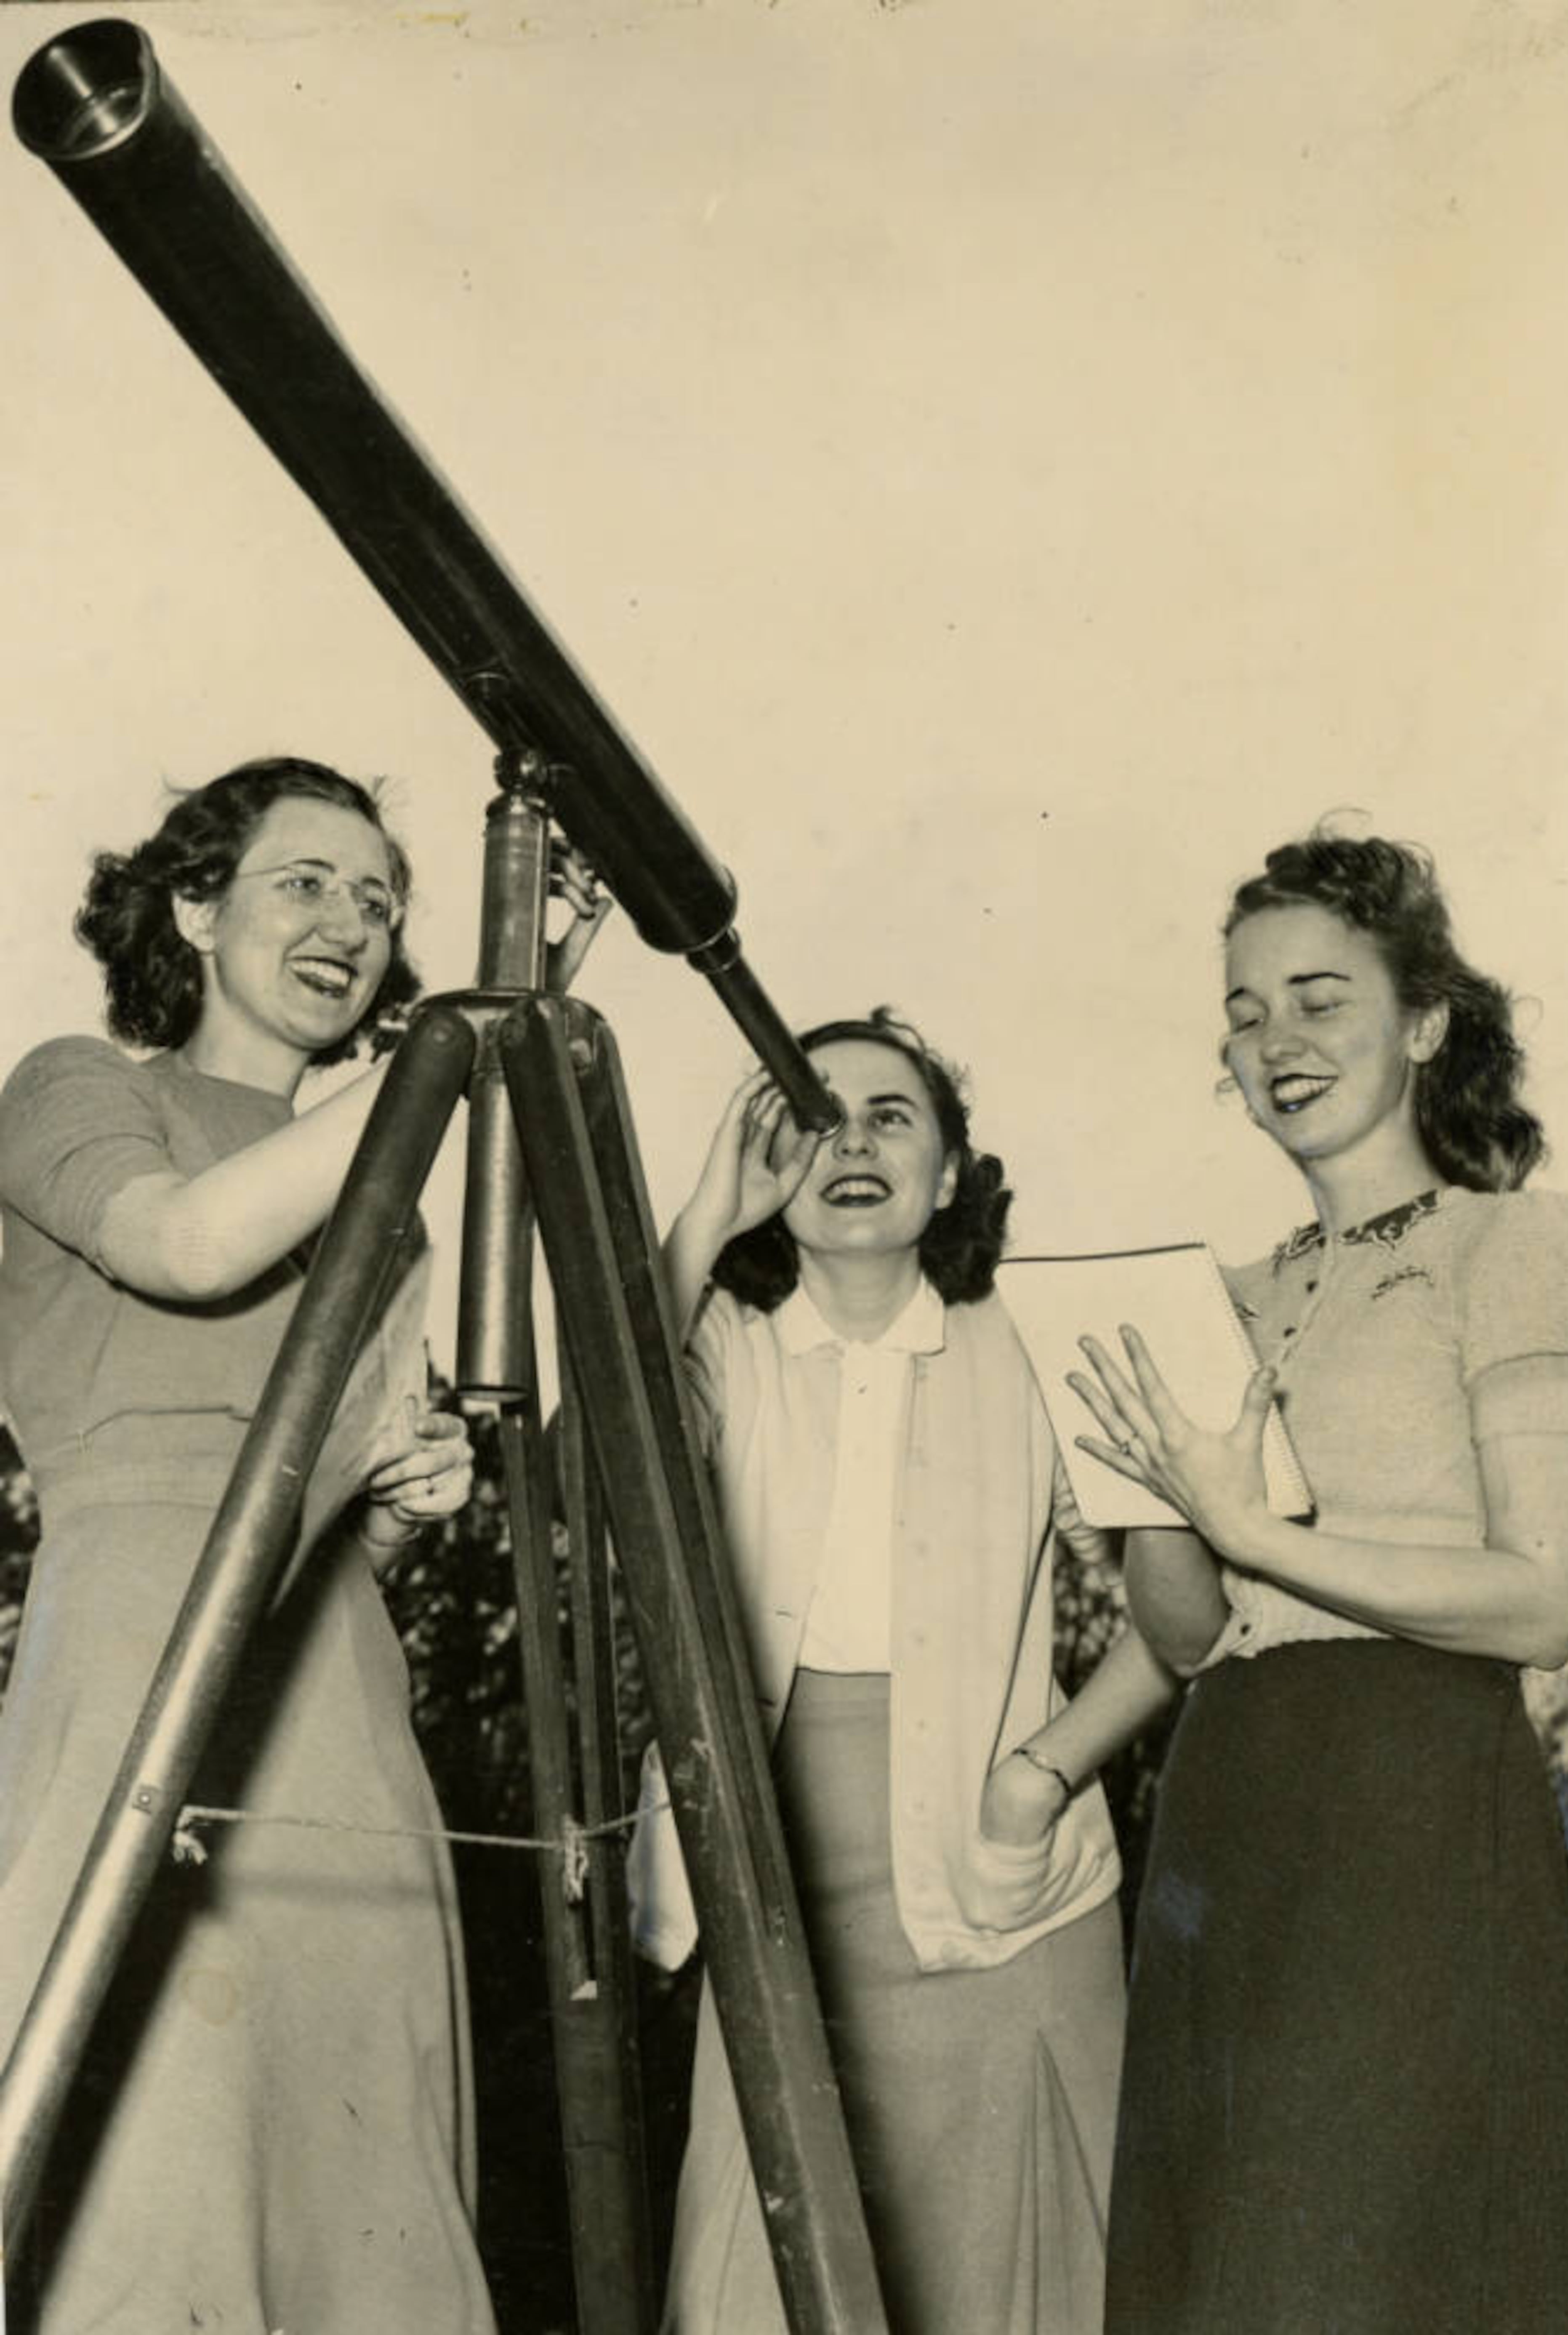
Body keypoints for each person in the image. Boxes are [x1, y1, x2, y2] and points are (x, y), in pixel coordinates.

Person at [0, 759, 604, 2332]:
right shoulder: (80, 1084)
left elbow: (322, 1521)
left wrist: (398, 1504)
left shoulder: (386, 1201)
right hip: (138, 1642)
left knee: (361, 2184)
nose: (354, 922)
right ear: (195, 908)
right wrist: (437, 1074)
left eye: (382, 897)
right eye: (306, 883)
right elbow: (186, 1247)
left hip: (331, 1684)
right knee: (156, 2156)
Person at [1034, 831, 1568, 2333]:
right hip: (1228, 1800)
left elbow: (1544, 1601)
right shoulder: (1225, 1291)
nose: (1273, 1042)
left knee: (1366, 2256)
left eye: (1317, 998)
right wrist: (1149, 1494)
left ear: (1425, 1020)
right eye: (1243, 1010)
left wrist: (1263, 1525)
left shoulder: (1525, 1243)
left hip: (1412, 1792)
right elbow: (1190, 1630)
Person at [634, 1009, 1176, 2335]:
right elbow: (607, 1425)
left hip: (1010, 1889)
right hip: (771, 1875)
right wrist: (705, 1208)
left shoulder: (1035, 1342)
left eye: (893, 1115)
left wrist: (1041, 1778)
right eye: (812, 1115)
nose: (853, 1141)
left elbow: (1186, 1613)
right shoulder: (720, 1348)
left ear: (947, 1174)